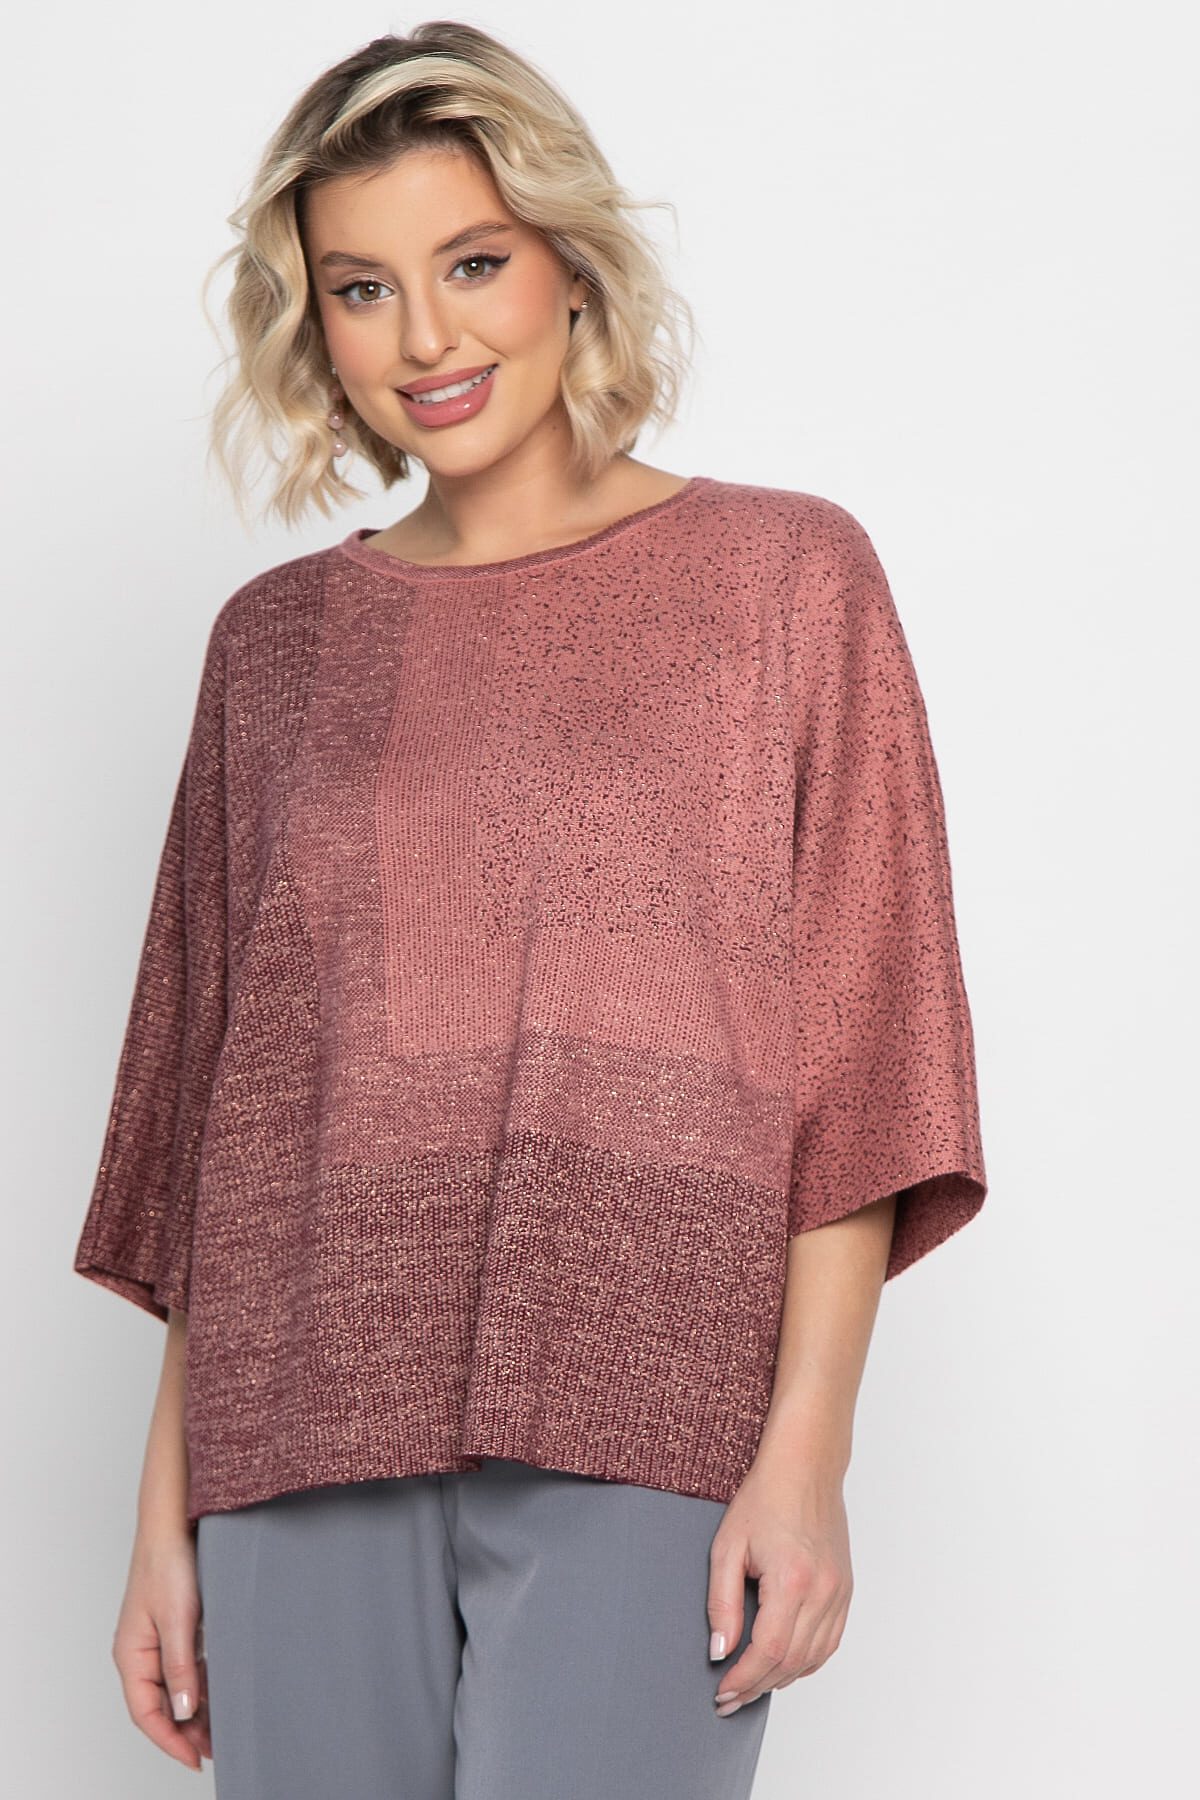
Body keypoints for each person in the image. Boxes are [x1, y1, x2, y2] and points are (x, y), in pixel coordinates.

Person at [73, 22, 988, 1800]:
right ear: (315, 325)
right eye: (363, 289)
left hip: (647, 1397)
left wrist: (808, 1451)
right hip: (299, 1417)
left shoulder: (784, 581)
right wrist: (161, 1519)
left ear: (571, 262)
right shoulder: (274, 651)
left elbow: (866, 1041)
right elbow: (217, 1118)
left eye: (474, 263)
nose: (426, 337)